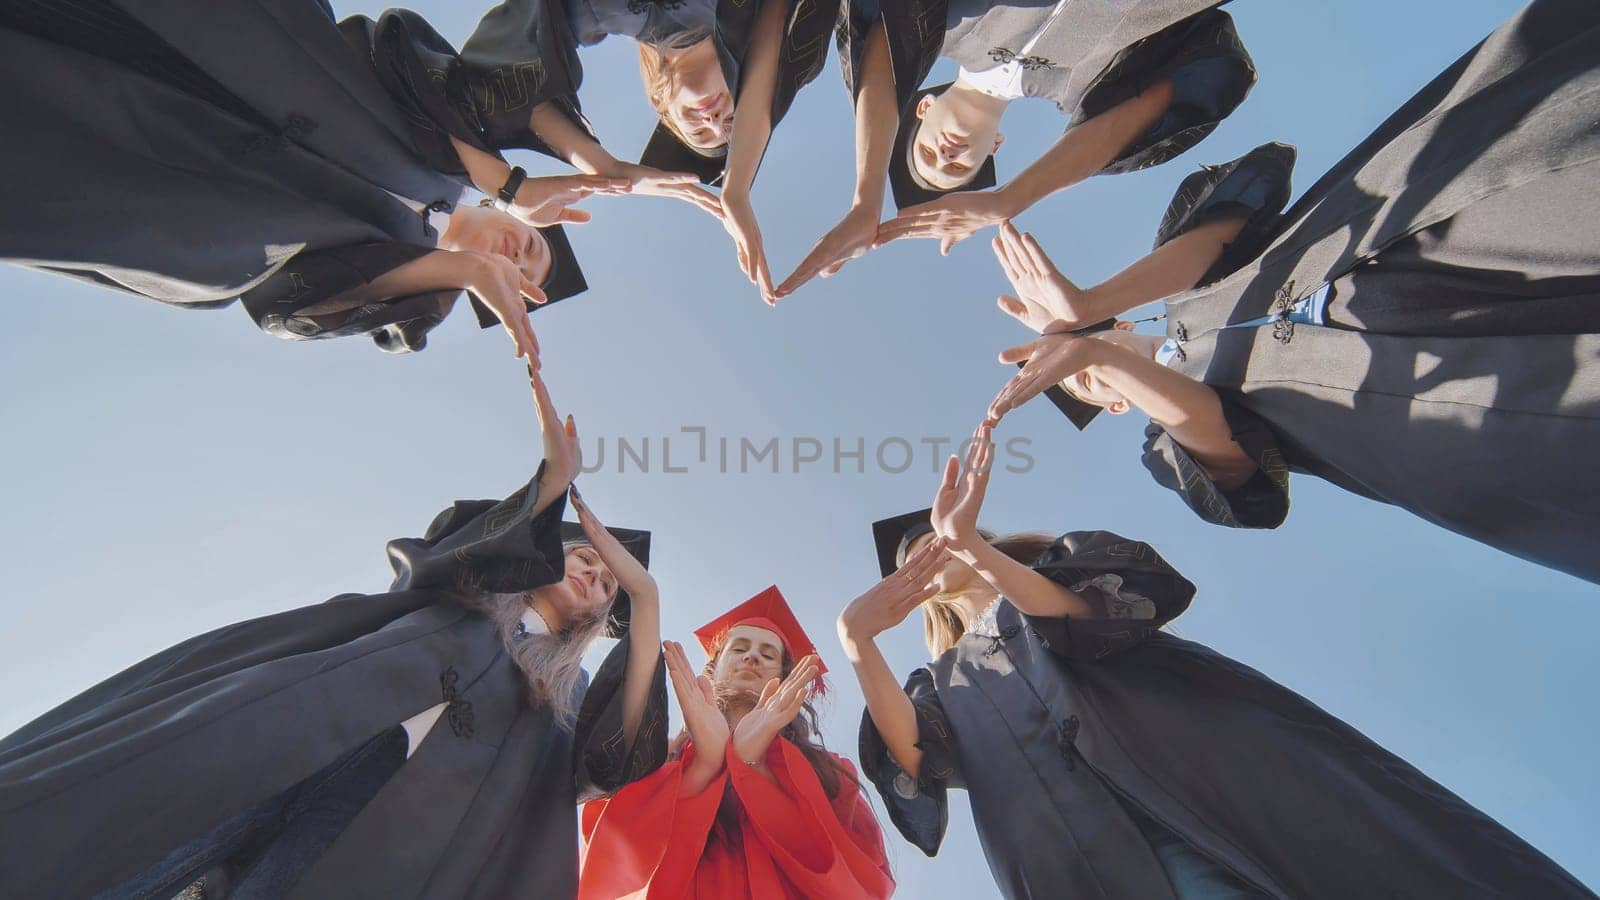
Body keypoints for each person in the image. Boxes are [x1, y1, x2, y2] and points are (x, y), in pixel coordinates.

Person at [984, 0, 1600, 584]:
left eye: (1090, 350)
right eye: (1084, 384)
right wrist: (1091, 354)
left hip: (1410, 234)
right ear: (1117, 408)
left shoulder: (1176, 283)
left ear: (1123, 324)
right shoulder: (1165, 436)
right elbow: (1228, 454)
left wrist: (1089, 305)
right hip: (1429, 395)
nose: (1090, 368)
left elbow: (1225, 227)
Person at [835, 431, 1596, 899]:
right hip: (1082, 855)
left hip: (1212, 769)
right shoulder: (942, 681)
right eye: (917, 557)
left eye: (933, 544)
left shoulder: (1053, 570)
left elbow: (1088, 615)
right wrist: (859, 641)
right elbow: (918, 756)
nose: (929, 558)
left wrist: (976, 550)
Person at [0, 368, 668, 899]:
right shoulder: (466, 595)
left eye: (610, 585)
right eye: (585, 556)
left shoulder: (567, 692)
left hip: (386, 824)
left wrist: (647, 601)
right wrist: (551, 484)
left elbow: (610, 763)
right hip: (291, 741)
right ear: (549, 550)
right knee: (133, 853)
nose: (595, 574)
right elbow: (437, 552)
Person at [0, 0, 649, 355]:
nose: (514, 260)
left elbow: (281, 306)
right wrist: (506, 179)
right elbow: (392, 48)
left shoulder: (394, 292)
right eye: (531, 250)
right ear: (519, 221)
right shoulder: (456, 146)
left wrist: (461, 271)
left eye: (517, 280)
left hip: (155, 168)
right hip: (226, 39)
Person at [777, 0, 1255, 296]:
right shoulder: (1081, 86)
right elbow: (1158, 100)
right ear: (994, 148)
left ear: (920, 109)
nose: (945, 156)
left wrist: (866, 198)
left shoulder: (944, 24)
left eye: (926, 155)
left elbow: (883, 49)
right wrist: (1005, 201)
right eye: (958, 169)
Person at [579, 586, 893, 898]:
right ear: (712, 671)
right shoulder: (659, 759)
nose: (752, 657)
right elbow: (614, 864)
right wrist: (704, 768)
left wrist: (755, 768)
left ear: (783, 679)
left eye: (768, 654)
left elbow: (862, 880)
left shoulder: (830, 772)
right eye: (739, 648)